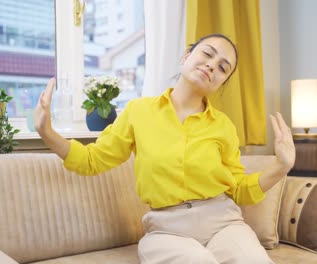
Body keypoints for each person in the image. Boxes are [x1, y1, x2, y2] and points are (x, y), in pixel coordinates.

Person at [34, 33, 295, 264]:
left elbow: (238, 188)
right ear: (186, 57)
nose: (211, 66)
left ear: (220, 83)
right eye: (207, 54)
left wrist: (281, 165)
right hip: (167, 230)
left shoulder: (223, 126)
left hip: (224, 225)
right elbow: (93, 160)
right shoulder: (139, 111)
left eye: (222, 68)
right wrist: (47, 132)